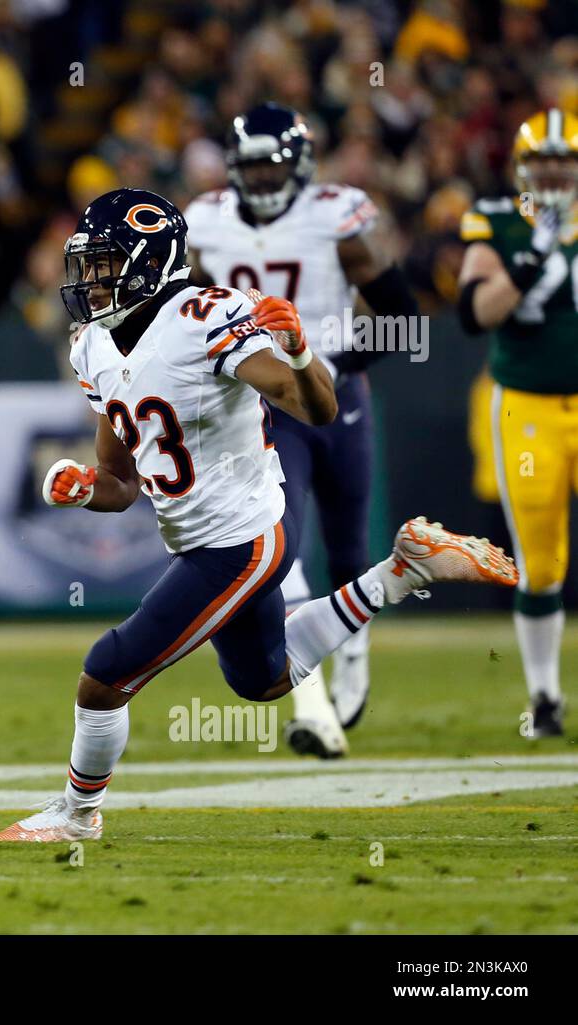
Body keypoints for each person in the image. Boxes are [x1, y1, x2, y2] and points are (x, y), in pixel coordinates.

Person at [0, 189, 517, 842]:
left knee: (105, 672)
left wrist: (299, 352)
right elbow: (121, 482)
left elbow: (317, 410)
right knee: (264, 678)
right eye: (88, 264)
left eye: (102, 263)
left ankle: (76, 813)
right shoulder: (92, 347)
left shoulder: (202, 316)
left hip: (243, 538)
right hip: (202, 539)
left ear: (146, 263)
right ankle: (402, 570)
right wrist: (81, 487)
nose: (88, 279)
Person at [184, 103, 421, 756]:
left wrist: (339, 361)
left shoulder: (335, 217)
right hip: (261, 407)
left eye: (272, 165)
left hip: (336, 397)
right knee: (280, 546)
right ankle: (312, 705)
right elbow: (184, 310)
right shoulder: (205, 224)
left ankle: (355, 667)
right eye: (251, 167)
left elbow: (402, 313)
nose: (261, 179)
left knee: (347, 548)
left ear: (300, 164)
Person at [457, 108, 578, 737]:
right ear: (522, 167)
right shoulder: (499, 220)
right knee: (542, 562)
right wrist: (534, 252)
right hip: (527, 405)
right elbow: (477, 311)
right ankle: (546, 696)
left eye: (567, 160)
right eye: (544, 161)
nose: (556, 172)